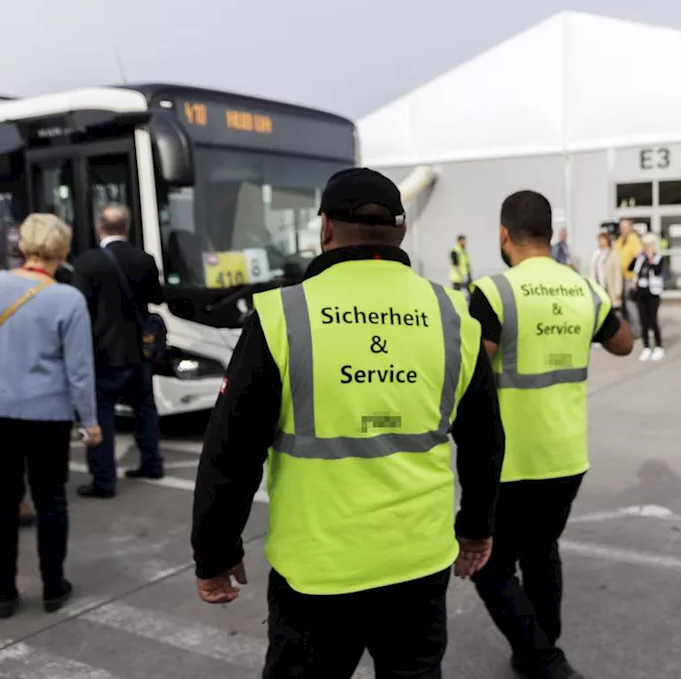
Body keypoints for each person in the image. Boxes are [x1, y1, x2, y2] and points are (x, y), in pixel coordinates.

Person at [191, 168, 505, 679]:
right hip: (418, 564)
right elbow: (485, 442)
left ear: (325, 229)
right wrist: (475, 529)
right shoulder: (452, 316)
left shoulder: (281, 316)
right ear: (401, 232)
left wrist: (215, 554)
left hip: (317, 573)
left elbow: (230, 452)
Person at [469, 190, 633, 679]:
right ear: (547, 232)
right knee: (542, 552)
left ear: (504, 235)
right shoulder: (583, 288)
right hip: (567, 454)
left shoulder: (495, 291)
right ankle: (540, 645)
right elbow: (623, 344)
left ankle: (542, 657)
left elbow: (474, 368)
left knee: (492, 566)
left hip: (511, 458)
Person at [0, 213, 100, 619]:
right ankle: (53, 586)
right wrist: (90, 421)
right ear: (64, 251)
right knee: (51, 499)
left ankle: (4, 593)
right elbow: (80, 370)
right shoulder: (68, 299)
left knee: (1, 500)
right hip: (46, 414)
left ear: (22, 247)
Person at [71, 204, 166, 497]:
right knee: (145, 408)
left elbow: (80, 307)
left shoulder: (87, 262)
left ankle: (104, 480)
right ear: (127, 228)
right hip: (139, 348)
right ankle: (152, 463)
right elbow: (157, 297)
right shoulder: (144, 259)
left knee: (102, 414)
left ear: (100, 227)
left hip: (102, 351)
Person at [630, 234, 667, 362]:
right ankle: (646, 347)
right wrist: (635, 257)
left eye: (648, 245)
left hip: (653, 293)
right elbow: (631, 268)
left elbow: (657, 270)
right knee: (643, 321)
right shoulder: (640, 259)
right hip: (641, 292)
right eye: (644, 245)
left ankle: (658, 346)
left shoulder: (659, 258)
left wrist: (650, 258)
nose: (646, 248)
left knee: (653, 320)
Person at [613, 219, 642, 336]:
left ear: (630, 228)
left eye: (625, 227)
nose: (622, 230)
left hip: (630, 277)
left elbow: (637, 258)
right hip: (620, 277)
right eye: (621, 227)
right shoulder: (619, 241)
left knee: (631, 304)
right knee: (623, 306)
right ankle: (627, 329)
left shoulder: (634, 240)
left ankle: (637, 330)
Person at [588, 231, 623, 314]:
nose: (600, 242)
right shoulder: (596, 254)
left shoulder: (613, 254)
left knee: (612, 309)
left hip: (609, 286)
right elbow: (592, 269)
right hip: (599, 285)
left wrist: (618, 290)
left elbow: (617, 274)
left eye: (602, 240)